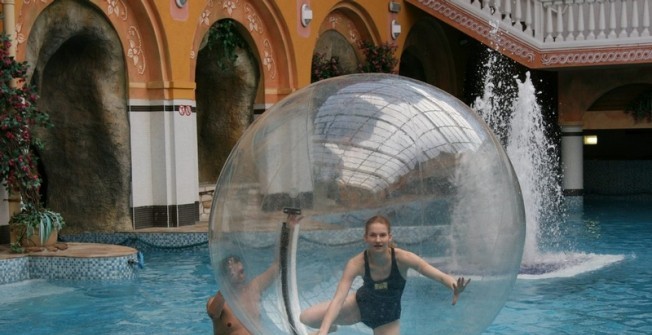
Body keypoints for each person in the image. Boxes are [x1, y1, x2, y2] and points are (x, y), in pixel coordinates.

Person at [299, 215, 470, 335]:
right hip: (359, 307)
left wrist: (452, 285)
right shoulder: (356, 263)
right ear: (365, 237)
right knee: (307, 317)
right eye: (373, 235)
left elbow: (436, 274)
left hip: (387, 320)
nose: (378, 240)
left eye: (382, 235)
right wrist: (323, 330)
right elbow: (338, 299)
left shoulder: (403, 258)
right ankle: (331, 329)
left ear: (389, 237)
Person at [207, 213, 302, 335]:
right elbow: (213, 313)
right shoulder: (220, 302)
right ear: (226, 276)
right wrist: (225, 287)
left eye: (241, 271)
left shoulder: (254, 288)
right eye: (233, 274)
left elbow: (277, 266)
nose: (240, 276)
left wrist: (287, 232)